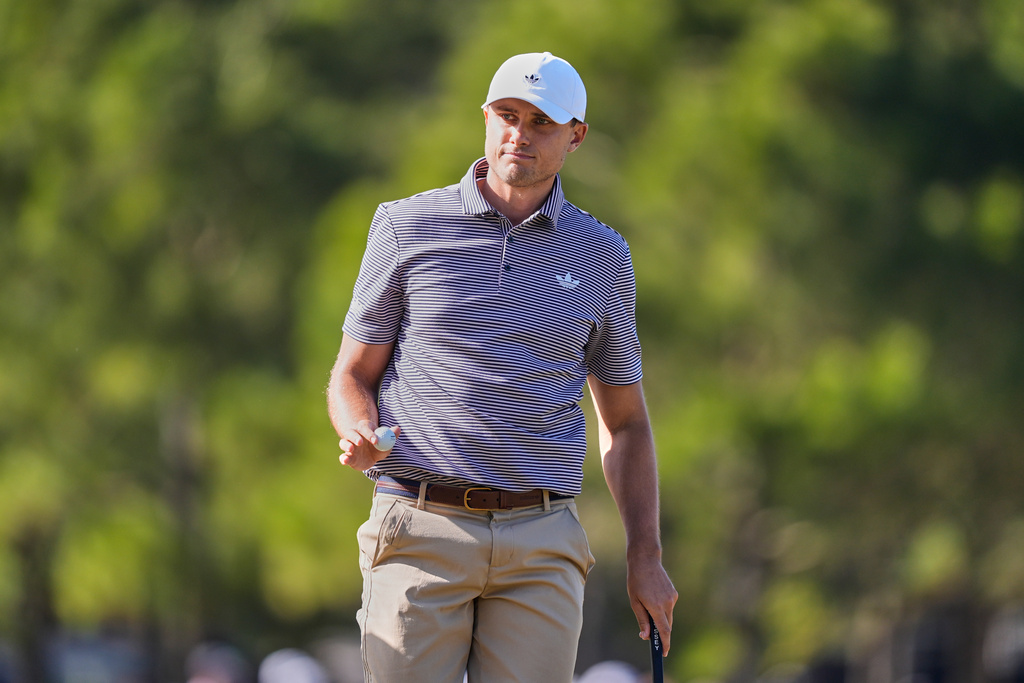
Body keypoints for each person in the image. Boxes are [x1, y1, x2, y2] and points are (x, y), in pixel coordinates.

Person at [327, 51, 677, 683]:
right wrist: (357, 429)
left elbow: (625, 424)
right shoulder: (406, 226)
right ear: (485, 119)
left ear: (575, 137)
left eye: (542, 122)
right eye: (507, 115)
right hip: (420, 525)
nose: (520, 134)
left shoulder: (602, 256)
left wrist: (645, 556)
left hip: (541, 539)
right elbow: (353, 374)